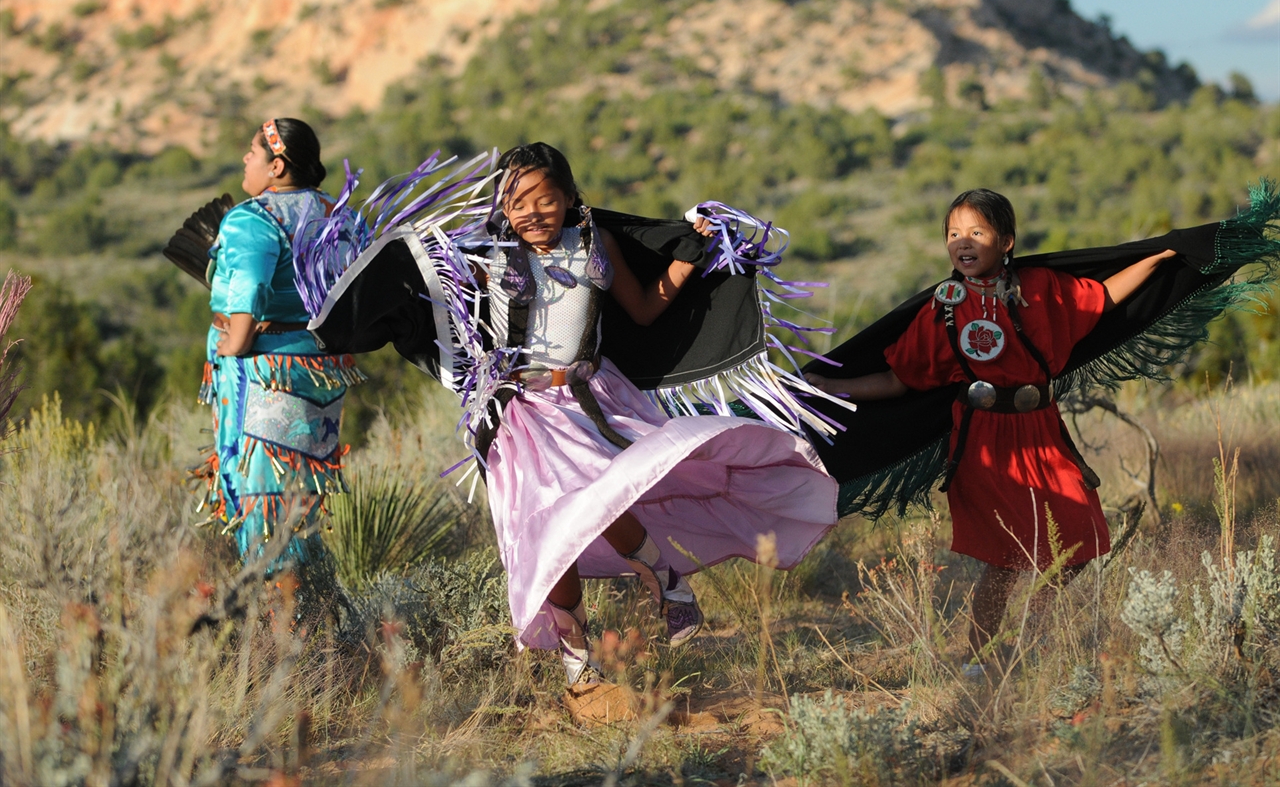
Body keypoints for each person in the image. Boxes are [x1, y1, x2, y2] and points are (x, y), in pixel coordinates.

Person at [471, 143, 837, 686]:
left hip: (586, 402)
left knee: (598, 499)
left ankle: (665, 579)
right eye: (516, 203)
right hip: (517, 416)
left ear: (570, 198)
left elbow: (644, 308)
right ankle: (579, 659)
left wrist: (689, 256)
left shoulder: (594, 244)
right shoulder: (482, 258)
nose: (531, 214)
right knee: (549, 532)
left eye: (544, 200)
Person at [806, 188, 1175, 671]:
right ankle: (978, 660)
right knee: (1006, 559)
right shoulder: (942, 309)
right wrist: (830, 386)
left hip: (1042, 431)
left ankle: (1030, 638)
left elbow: (1103, 297)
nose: (963, 242)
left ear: (1006, 241)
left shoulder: (1042, 288)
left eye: (976, 232)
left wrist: (1165, 253)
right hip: (983, 440)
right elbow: (898, 380)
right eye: (954, 233)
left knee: (1079, 541)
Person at [194, 118, 363, 571]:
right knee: (300, 489)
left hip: (262, 369)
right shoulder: (341, 215)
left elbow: (250, 290)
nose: (246, 159)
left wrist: (234, 344)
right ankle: (307, 604)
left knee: (260, 490)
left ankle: (278, 615)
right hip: (319, 370)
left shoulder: (253, 219)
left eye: (253, 151)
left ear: (278, 166)